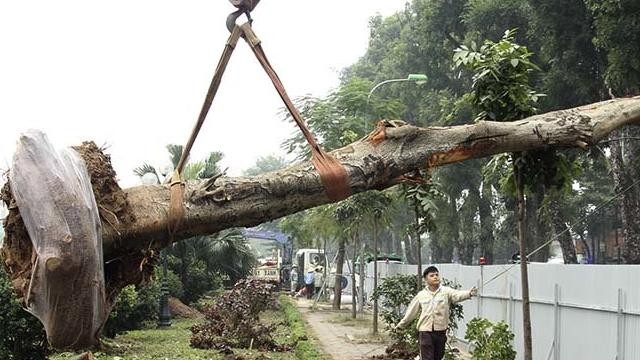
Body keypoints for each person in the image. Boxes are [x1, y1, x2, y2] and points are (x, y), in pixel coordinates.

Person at [395, 266, 477, 360]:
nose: (435, 277)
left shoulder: (446, 292)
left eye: (437, 275)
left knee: (438, 357)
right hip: (425, 332)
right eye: (432, 275)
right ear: (426, 279)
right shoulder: (421, 295)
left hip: (441, 332)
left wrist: (469, 293)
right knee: (427, 358)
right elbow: (411, 312)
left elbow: (457, 295)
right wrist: (401, 325)